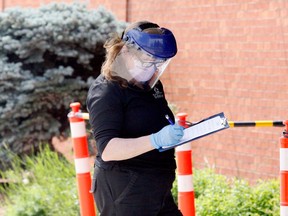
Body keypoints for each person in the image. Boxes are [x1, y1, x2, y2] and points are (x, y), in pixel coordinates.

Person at [87, 20, 184, 216]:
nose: (152, 67)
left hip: (157, 189)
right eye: (146, 60)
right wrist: (156, 140)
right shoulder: (106, 90)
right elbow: (108, 149)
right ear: (124, 52)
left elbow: (154, 121)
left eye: (158, 62)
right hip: (125, 191)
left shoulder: (152, 86)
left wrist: (177, 130)